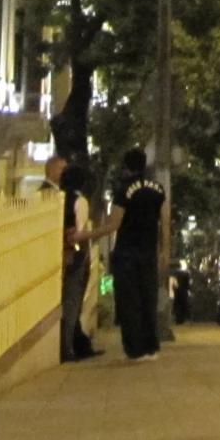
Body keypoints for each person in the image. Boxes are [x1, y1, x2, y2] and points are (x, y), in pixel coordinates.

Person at [107, 147, 169, 362]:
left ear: (126, 165)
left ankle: (134, 349)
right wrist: (164, 250)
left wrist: (86, 234)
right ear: (145, 164)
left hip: (126, 252)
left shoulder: (123, 189)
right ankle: (152, 347)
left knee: (128, 302)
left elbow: (114, 224)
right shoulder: (158, 189)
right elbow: (166, 221)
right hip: (148, 252)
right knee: (147, 299)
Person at [47, 155, 104, 362]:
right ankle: (67, 348)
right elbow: (79, 231)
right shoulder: (79, 200)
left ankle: (72, 344)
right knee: (72, 303)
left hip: (55, 254)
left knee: (64, 302)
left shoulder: (54, 196)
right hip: (75, 255)